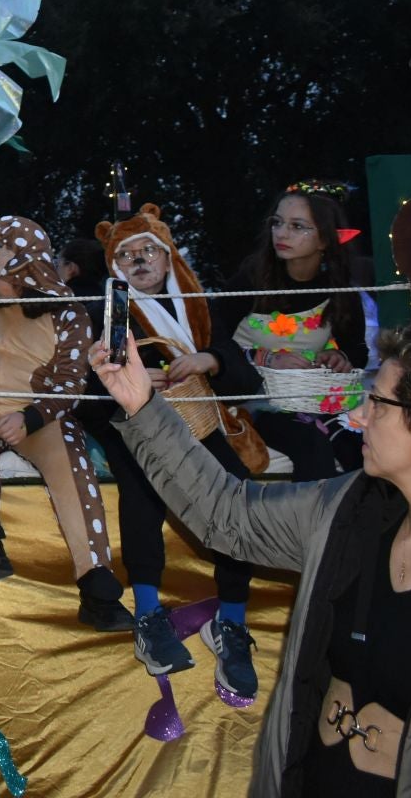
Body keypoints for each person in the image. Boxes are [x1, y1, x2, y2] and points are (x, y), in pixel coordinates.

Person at [93, 323, 411, 797]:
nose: (356, 417)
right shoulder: (347, 514)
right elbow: (227, 515)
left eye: (377, 404)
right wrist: (142, 403)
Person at [81, 204, 261, 702]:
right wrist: (126, 385)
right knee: (141, 489)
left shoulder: (200, 308)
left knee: (235, 498)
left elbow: (248, 379)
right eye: (127, 255)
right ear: (114, 268)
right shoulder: (104, 314)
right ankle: (147, 614)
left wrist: (211, 359)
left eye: (148, 252)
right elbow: (82, 401)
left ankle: (232, 623)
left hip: (200, 428)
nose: (139, 261)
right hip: (131, 430)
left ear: (168, 259)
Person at [0, 215, 131, 630]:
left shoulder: (70, 315)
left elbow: (71, 383)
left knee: (72, 465)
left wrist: (32, 417)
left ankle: (96, 583)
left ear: (24, 272)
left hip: (39, 412)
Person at [207, 187, 369, 479]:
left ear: (325, 239)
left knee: (360, 451)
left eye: (297, 226)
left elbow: (357, 349)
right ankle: (307, 523)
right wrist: (264, 357)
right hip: (253, 401)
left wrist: (339, 356)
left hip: (314, 400)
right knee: (311, 445)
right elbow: (208, 338)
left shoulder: (339, 288)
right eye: (277, 222)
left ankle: (364, 523)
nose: (281, 233)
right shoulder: (251, 279)